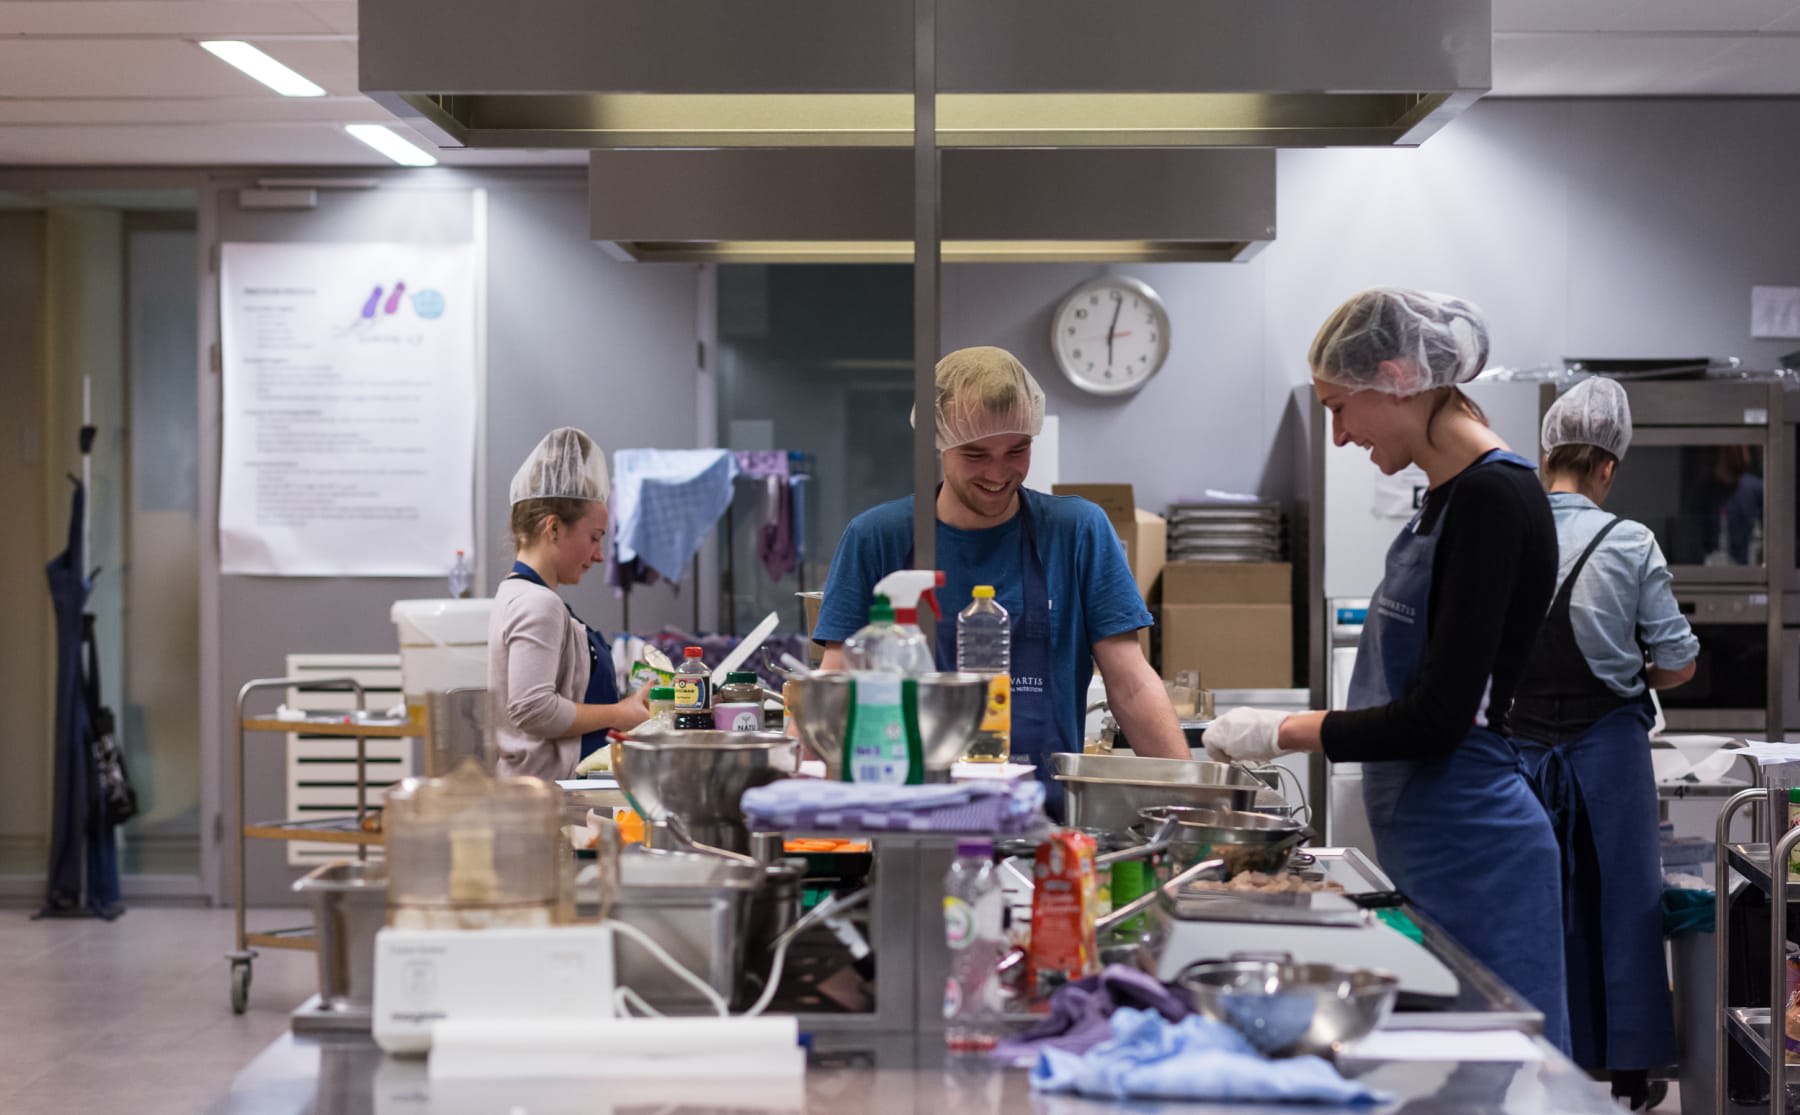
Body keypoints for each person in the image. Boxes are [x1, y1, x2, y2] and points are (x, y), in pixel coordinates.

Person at [1202, 288, 1571, 1052]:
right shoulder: (1443, 499)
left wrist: (1279, 730)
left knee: (1504, 1070)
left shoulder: (1495, 500)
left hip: (1479, 843)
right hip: (1436, 834)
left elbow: (1438, 717)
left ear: (1398, 376)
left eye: (1341, 408)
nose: (1337, 435)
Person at [813, 346, 1186, 811]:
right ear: (939, 442)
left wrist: (1191, 803)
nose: (997, 472)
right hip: (905, 821)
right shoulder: (878, 538)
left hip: (1045, 825)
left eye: (1017, 450)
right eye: (975, 453)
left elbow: (1130, 683)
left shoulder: (1076, 531)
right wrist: (803, 814)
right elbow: (835, 691)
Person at [1510, 376, 1698, 1109]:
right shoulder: (1631, 541)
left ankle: (1537, 1053)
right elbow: (1677, 661)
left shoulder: (1510, 530)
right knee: (1624, 901)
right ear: (1607, 466)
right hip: (1608, 741)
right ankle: (1629, 1070)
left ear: (1547, 452)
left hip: (1517, 742)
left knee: (1533, 899)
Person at [489, 427, 651, 779]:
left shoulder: (520, 593)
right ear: (554, 529)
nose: (598, 555)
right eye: (594, 538)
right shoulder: (537, 604)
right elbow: (533, 709)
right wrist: (620, 713)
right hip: (545, 800)